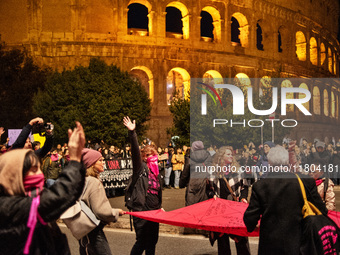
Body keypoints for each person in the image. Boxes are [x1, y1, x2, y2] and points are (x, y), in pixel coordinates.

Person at [0, 121, 86, 254]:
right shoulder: (9, 206)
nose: (40, 174)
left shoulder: (30, 200)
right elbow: (61, 195)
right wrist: (75, 161)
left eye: (39, 168)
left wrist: (49, 135)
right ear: (15, 174)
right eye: (33, 170)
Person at [243, 145, 327, 255]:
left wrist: (252, 226)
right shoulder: (305, 182)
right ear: (287, 161)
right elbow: (322, 211)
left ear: (270, 163)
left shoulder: (260, 186)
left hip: (270, 246)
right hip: (300, 245)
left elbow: (250, 219)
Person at [123, 116, 162, 255]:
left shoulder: (156, 171)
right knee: (142, 242)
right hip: (141, 210)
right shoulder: (140, 168)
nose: (154, 158)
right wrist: (132, 133)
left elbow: (157, 191)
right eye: (151, 155)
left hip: (154, 212)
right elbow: (134, 152)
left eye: (156, 155)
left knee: (152, 242)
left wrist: (159, 206)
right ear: (144, 157)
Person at [78, 148, 125, 255]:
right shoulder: (94, 182)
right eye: (100, 160)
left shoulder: (82, 180)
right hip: (94, 232)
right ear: (92, 164)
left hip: (83, 230)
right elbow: (101, 211)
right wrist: (116, 212)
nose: (103, 163)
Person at [211, 146, 250, 255]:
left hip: (235, 208)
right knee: (222, 238)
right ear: (221, 157)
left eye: (231, 154)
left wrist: (243, 197)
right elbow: (210, 188)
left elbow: (244, 187)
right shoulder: (215, 171)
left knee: (240, 237)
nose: (231, 156)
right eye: (228, 154)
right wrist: (212, 195)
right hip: (221, 209)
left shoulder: (238, 170)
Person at [179, 141, 213, 206]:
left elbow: (185, 172)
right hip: (204, 182)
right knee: (204, 207)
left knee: (191, 208)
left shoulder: (190, 156)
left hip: (192, 183)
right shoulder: (208, 155)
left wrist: (181, 184)